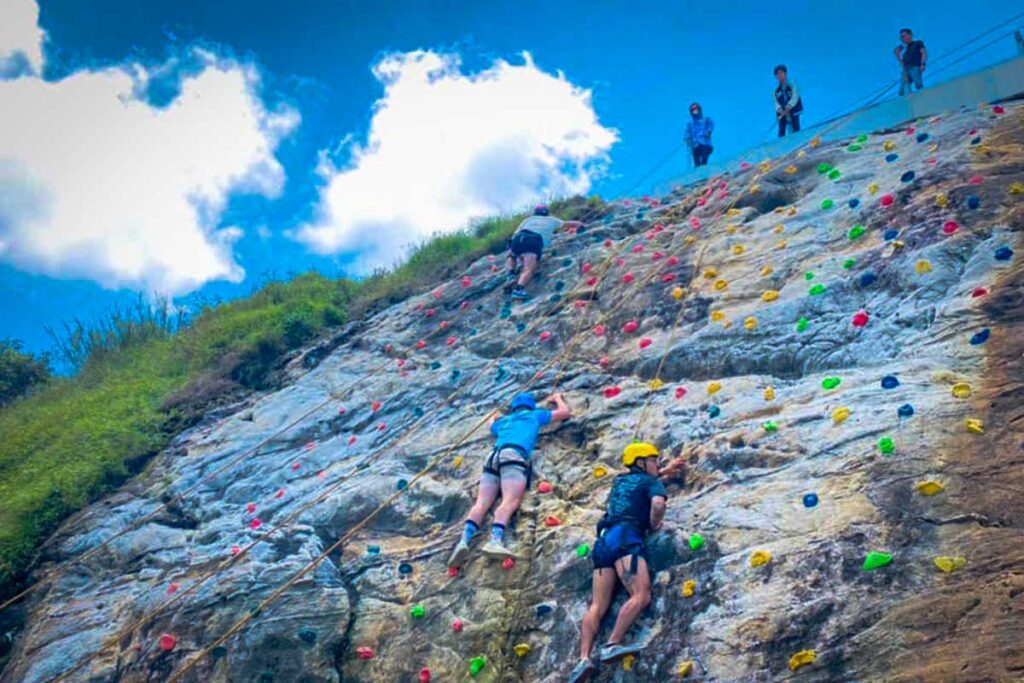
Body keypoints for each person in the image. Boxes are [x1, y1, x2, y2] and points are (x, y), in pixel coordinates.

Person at [567, 442, 669, 683]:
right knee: (641, 595)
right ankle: (613, 643)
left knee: (597, 606)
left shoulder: (619, 482)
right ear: (642, 462)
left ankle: (583, 659)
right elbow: (657, 503)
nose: (658, 463)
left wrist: (664, 472)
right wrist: (654, 524)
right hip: (627, 539)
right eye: (654, 459)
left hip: (603, 543)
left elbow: (639, 485)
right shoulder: (650, 482)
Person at [447, 392, 572, 566]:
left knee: (481, 503)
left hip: (492, 457)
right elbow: (565, 413)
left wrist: (493, 416)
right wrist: (557, 398)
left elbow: (491, 425)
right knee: (510, 501)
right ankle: (495, 541)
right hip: (513, 455)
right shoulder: (535, 415)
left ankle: (463, 541)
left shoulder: (504, 421)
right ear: (531, 406)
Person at [506, 205, 584, 300]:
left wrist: (511, 248)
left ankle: (510, 274)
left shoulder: (529, 219)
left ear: (535, 212)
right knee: (529, 269)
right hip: (533, 240)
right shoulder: (551, 220)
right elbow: (570, 223)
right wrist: (581, 224)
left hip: (518, 238)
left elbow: (514, 235)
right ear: (547, 213)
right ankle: (519, 289)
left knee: (512, 255)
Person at [894, 28, 927, 96]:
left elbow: (924, 53)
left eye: (904, 36)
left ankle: (923, 96)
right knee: (903, 89)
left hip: (915, 67)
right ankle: (908, 98)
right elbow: (903, 65)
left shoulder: (918, 43)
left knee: (918, 83)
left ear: (910, 35)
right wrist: (897, 55)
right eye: (901, 37)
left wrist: (923, 64)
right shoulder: (905, 52)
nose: (902, 38)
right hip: (906, 70)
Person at [773, 64, 803, 138]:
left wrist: (789, 105)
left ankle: (797, 142)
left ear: (785, 73)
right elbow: (776, 103)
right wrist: (780, 110)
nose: (779, 75)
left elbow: (795, 96)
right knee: (781, 131)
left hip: (793, 111)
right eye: (777, 74)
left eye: (781, 73)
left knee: (795, 128)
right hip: (783, 114)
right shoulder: (776, 91)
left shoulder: (792, 85)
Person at [684, 102, 714, 167]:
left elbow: (710, 125)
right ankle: (698, 172)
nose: (695, 111)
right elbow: (687, 132)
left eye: (696, 109)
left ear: (699, 109)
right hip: (695, 145)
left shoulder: (706, 119)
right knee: (696, 161)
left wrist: (708, 132)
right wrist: (687, 139)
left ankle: (704, 172)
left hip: (705, 143)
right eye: (693, 110)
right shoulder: (691, 124)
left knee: (704, 159)